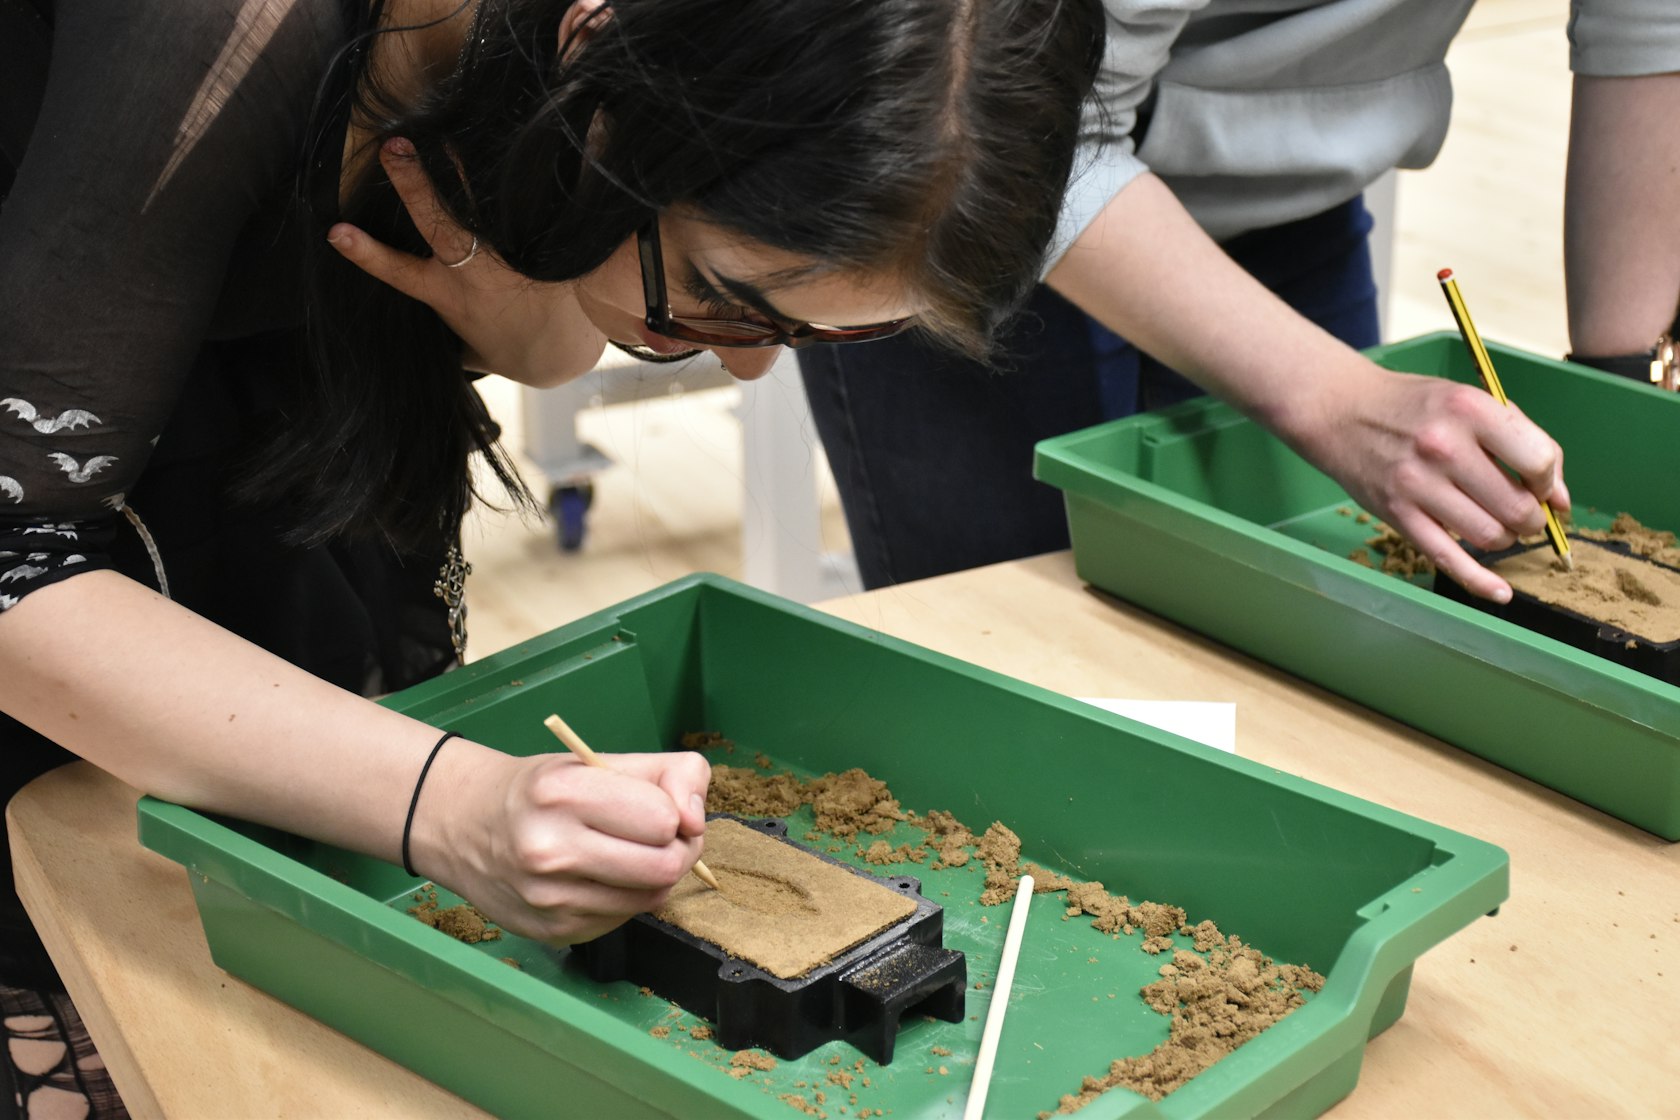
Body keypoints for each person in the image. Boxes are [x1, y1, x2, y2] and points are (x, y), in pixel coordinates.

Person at [0, 0, 1106, 1111]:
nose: (746, 377)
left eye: (823, 334)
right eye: (722, 300)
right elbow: (17, 559)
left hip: (258, 459)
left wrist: (541, 318)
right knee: (119, 999)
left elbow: (561, 266)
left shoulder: (600, 82)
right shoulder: (215, 29)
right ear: (594, 64)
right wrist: (449, 805)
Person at [799, 0, 1680, 601]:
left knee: (1310, 664)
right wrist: (1342, 400)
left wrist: (1625, 395)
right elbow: (1018, 129)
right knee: (1022, 665)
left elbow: (1649, 33)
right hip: (964, 209)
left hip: (1285, 199)